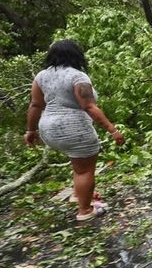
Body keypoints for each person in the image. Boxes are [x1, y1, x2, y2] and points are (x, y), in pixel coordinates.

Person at [25, 40, 125, 221]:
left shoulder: (41, 76)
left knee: (78, 165)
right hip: (74, 129)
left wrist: (30, 131)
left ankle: (78, 194)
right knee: (85, 170)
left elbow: (35, 105)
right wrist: (113, 130)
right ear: (76, 55)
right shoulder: (78, 77)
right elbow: (89, 107)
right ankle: (85, 211)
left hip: (48, 128)